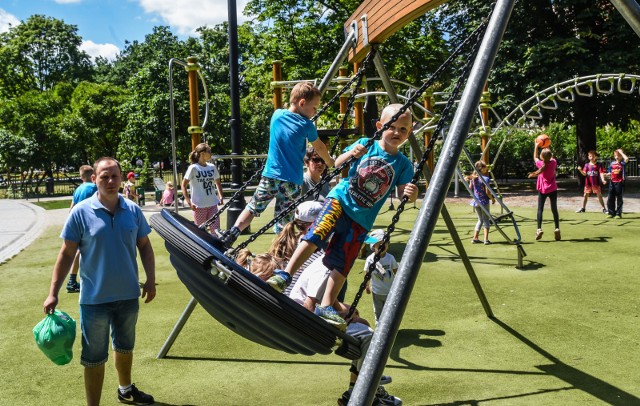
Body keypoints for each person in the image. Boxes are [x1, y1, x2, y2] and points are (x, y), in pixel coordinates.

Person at [267, 103, 418, 330]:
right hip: (340, 201)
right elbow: (337, 165)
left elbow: (403, 193)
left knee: (343, 262)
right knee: (317, 233)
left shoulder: (403, 164)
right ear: (380, 126)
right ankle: (286, 274)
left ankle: (328, 305)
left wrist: (412, 194)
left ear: (410, 131)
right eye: (392, 127)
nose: (397, 133)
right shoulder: (365, 145)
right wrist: (351, 153)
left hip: (362, 219)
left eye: (403, 129)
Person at [42, 157, 157, 406]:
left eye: (114, 176)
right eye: (104, 176)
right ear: (94, 179)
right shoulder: (81, 212)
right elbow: (66, 254)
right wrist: (54, 292)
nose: (110, 181)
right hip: (94, 300)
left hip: (128, 296)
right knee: (94, 357)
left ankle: (125, 390)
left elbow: (145, 247)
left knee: (125, 348)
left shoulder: (133, 210)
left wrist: (151, 279)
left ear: (121, 177)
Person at [220, 82, 335, 245]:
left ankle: (232, 233)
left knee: (253, 207)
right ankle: (281, 250)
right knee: (284, 220)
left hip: (271, 175)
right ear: (302, 103)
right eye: (314, 107)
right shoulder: (307, 125)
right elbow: (319, 147)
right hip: (292, 181)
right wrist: (330, 161)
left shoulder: (277, 115)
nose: (315, 111)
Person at [287, 256, 401, 405]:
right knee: (370, 336)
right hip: (309, 325)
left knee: (363, 324)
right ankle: (367, 387)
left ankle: (354, 390)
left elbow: (329, 301)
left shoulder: (332, 265)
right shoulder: (324, 269)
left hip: (317, 316)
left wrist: (347, 312)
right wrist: (337, 323)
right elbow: (308, 306)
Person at [66, 165, 98, 293]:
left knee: (80, 250)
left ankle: (72, 280)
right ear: (93, 175)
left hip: (77, 222)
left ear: (81, 177)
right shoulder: (94, 187)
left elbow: (72, 207)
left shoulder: (78, 189)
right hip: (89, 222)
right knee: (84, 251)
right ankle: (73, 281)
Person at [181, 143, 225, 235]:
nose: (210, 154)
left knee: (216, 232)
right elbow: (183, 185)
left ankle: (215, 249)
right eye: (209, 151)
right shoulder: (193, 168)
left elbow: (218, 183)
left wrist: (220, 196)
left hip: (213, 205)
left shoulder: (212, 167)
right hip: (199, 206)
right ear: (202, 153)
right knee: (201, 233)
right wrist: (189, 202)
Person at [364, 229, 399, 325]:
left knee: (389, 311)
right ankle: (379, 326)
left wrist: (399, 285)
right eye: (379, 244)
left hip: (390, 291)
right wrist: (367, 286)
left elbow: (396, 271)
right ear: (373, 246)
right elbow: (367, 274)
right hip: (377, 292)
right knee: (378, 311)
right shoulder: (370, 259)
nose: (382, 246)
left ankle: (390, 327)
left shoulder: (390, 258)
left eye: (385, 243)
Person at [528, 144, 561, 241]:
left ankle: (539, 229)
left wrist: (536, 146)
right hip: (553, 189)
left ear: (542, 157)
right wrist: (547, 145)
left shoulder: (540, 164)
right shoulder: (554, 162)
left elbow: (535, 157)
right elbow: (551, 156)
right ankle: (557, 228)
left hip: (543, 190)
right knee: (554, 209)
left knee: (540, 209)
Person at [465, 160, 495, 245]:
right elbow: (487, 192)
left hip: (476, 201)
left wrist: (470, 180)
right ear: (482, 169)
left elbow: (470, 189)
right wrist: (492, 199)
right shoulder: (486, 179)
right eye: (485, 167)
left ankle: (475, 238)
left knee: (480, 219)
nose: (487, 168)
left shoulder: (474, 178)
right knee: (486, 219)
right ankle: (486, 239)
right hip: (484, 201)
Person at [606, 148, 629, 219]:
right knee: (610, 198)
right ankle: (611, 213)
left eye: (618, 155)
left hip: (620, 182)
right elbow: (610, 172)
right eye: (615, 155)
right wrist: (605, 174)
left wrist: (621, 152)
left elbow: (627, 159)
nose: (617, 156)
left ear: (621, 156)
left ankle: (618, 214)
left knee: (619, 198)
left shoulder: (623, 163)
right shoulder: (612, 164)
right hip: (612, 182)